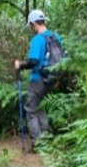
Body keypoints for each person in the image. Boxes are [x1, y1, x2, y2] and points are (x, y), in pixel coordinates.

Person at [13, 8, 61, 150]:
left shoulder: (37, 39)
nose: (31, 28)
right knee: (41, 107)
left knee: (31, 109)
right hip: (52, 79)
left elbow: (33, 61)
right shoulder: (56, 37)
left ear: (34, 23)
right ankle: (47, 138)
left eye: (31, 26)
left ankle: (38, 143)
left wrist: (20, 65)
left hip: (38, 79)